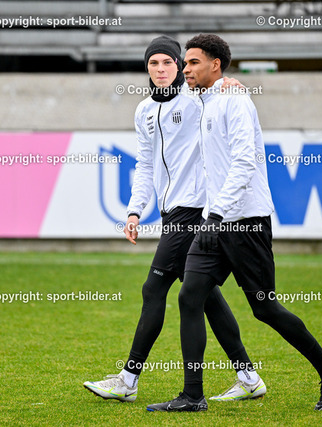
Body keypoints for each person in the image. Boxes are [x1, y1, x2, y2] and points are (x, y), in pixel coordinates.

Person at [146, 34, 322, 413]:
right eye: (184, 63)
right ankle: (192, 395)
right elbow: (167, 93)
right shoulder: (202, 97)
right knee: (190, 297)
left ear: (215, 65)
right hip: (215, 222)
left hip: (245, 223)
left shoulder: (235, 101)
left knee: (265, 308)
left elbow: (244, 163)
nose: (184, 69)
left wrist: (217, 214)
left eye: (192, 62)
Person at [84, 35, 266, 404]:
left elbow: (220, 91)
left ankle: (128, 380)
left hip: (195, 210)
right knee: (204, 296)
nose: (161, 69)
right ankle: (248, 376)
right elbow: (145, 164)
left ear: (179, 65)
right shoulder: (143, 110)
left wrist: (233, 84)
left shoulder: (196, 98)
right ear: (147, 68)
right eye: (154, 63)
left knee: (153, 289)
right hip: (170, 213)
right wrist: (135, 209)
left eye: (168, 62)